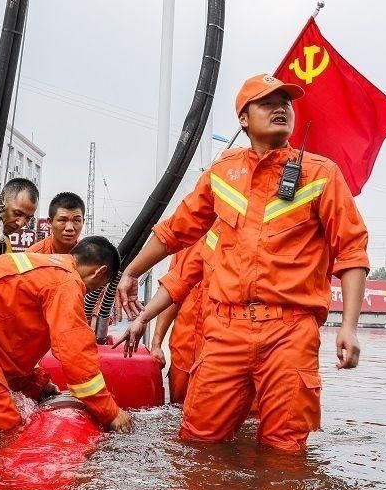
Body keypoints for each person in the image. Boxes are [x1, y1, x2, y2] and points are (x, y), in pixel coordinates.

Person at [117, 74, 370, 453]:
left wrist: (349, 327)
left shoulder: (321, 175)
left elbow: (352, 250)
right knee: (198, 442)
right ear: (243, 119)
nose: (281, 108)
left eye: (285, 102)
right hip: (224, 330)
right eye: (267, 103)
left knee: (285, 451)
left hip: (290, 331)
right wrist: (132, 271)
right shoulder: (222, 173)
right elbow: (176, 232)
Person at [0, 236, 133, 433]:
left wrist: (36, 385)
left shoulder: (43, 267)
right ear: (99, 272)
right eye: (97, 287)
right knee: (3, 430)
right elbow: (75, 353)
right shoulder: (66, 282)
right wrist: (110, 412)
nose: (88, 292)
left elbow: (6, 339)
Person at [148, 238, 212, 404]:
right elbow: (172, 294)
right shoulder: (189, 245)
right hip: (184, 356)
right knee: (179, 412)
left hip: (225, 355)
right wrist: (156, 343)